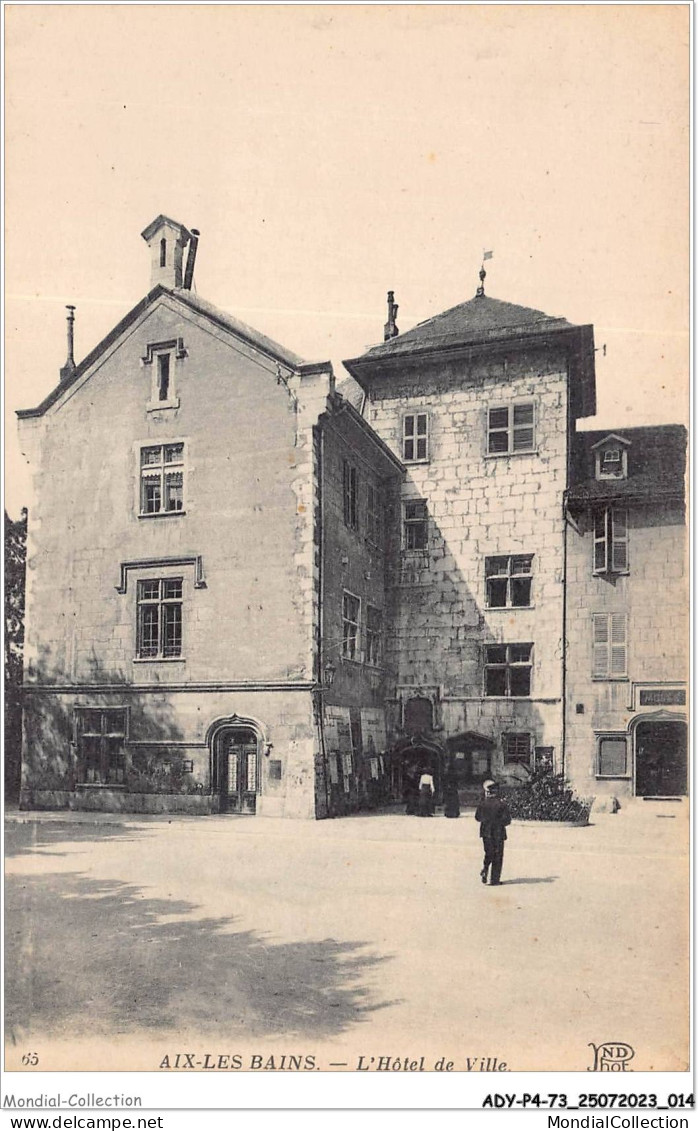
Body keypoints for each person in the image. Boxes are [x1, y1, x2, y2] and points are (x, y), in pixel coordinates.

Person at [475, 779, 511, 885]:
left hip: (486, 832)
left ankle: (485, 868)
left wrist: (486, 820)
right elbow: (507, 820)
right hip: (498, 833)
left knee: (488, 852)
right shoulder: (502, 804)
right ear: (496, 791)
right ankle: (494, 879)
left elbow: (477, 817)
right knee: (498, 855)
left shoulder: (482, 804)